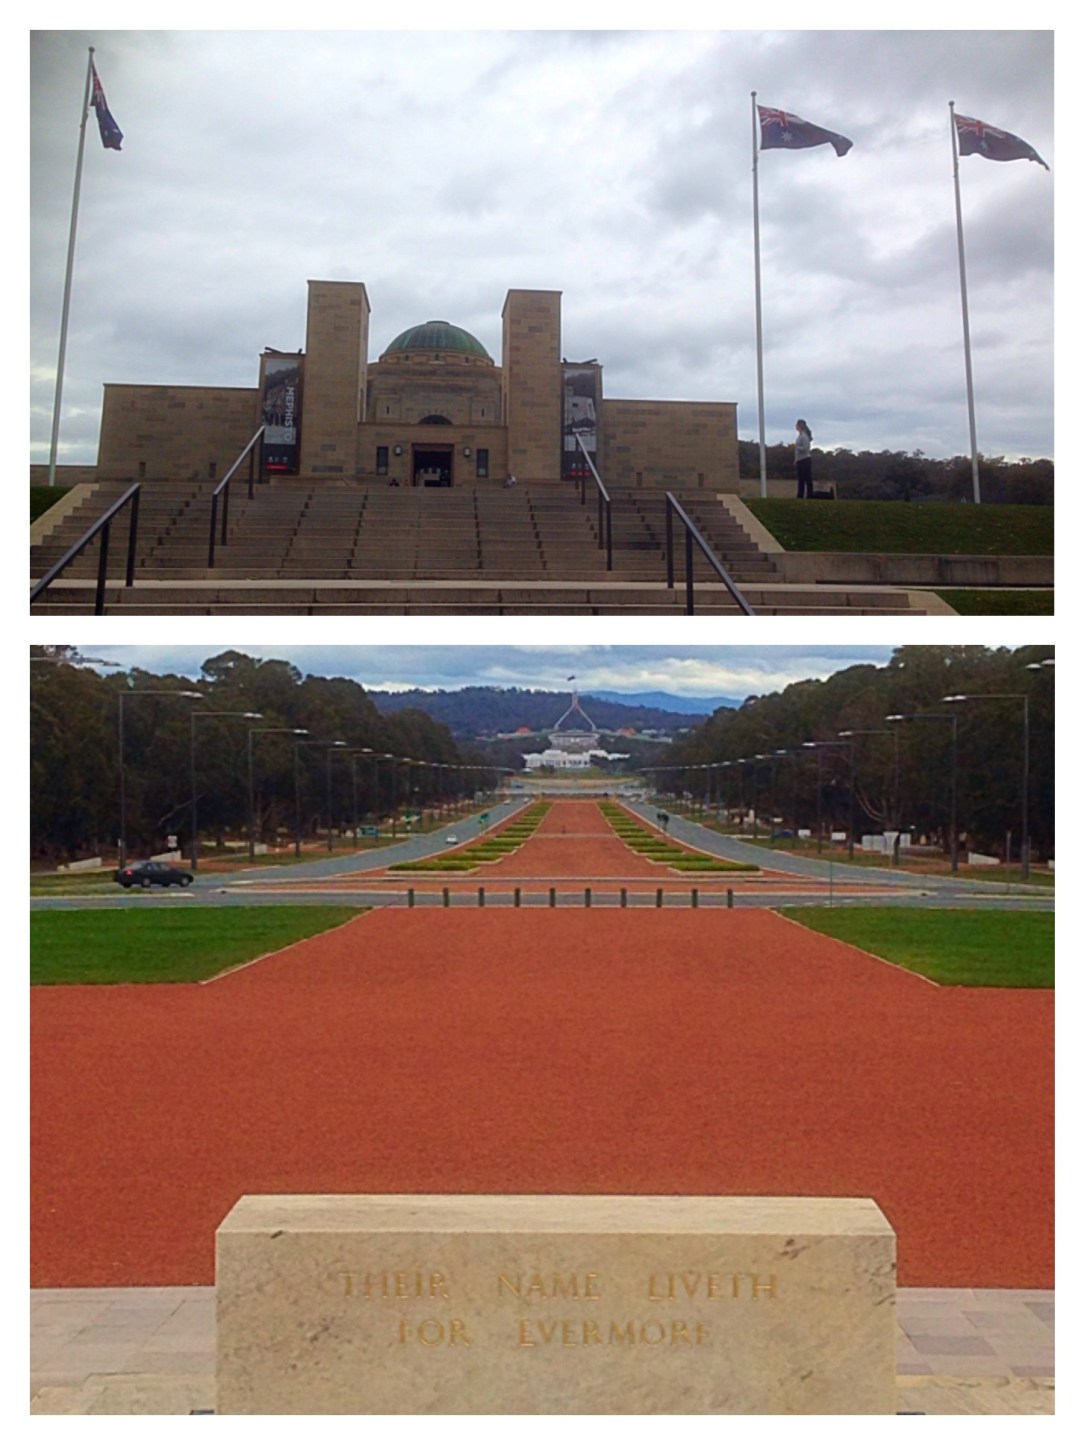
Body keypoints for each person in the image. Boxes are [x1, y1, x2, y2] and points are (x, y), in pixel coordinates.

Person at [793, 420, 813, 498]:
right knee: (801, 479)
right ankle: (800, 495)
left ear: (800, 426)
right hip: (800, 460)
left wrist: (796, 447)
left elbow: (806, 449)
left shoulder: (804, 436)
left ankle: (809, 495)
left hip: (805, 460)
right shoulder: (800, 436)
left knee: (807, 478)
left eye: (796, 425)